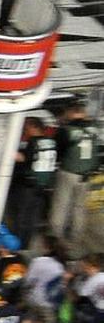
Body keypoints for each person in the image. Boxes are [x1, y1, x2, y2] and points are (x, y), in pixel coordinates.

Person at [50, 100, 101, 250]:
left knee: (61, 205)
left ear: (72, 112)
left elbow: (56, 150)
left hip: (68, 172)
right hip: (86, 175)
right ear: (83, 113)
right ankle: (75, 239)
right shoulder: (94, 129)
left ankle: (55, 238)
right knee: (79, 207)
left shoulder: (66, 130)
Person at [5, 117, 57, 251]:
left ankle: (17, 247)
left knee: (20, 218)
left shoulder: (33, 142)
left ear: (34, 128)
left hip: (27, 187)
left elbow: (23, 158)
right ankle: (26, 246)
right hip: (42, 187)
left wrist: (7, 150)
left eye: (26, 128)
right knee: (32, 219)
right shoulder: (51, 142)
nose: (25, 131)